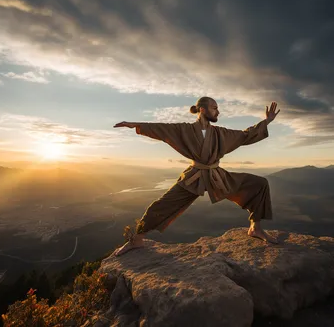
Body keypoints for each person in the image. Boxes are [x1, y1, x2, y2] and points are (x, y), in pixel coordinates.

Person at [113, 97, 280, 256]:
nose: (218, 112)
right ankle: (137, 240)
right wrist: (136, 125)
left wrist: (266, 121)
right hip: (195, 177)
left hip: (217, 176)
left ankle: (255, 228)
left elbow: (245, 135)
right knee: (162, 205)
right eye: (215, 108)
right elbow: (161, 128)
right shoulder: (184, 130)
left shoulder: (220, 133)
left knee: (259, 184)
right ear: (202, 109)